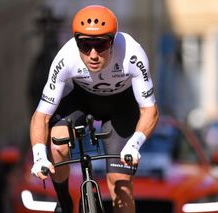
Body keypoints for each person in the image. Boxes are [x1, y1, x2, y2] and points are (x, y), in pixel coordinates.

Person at [30, 5, 159, 213]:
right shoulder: (66, 58)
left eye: (100, 45)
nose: (92, 54)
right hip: (80, 100)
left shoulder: (132, 54)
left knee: (121, 184)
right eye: (84, 45)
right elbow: (41, 116)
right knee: (57, 146)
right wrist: (39, 156)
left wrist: (134, 144)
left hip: (121, 106)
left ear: (113, 40)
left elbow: (150, 110)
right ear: (76, 42)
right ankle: (64, 202)